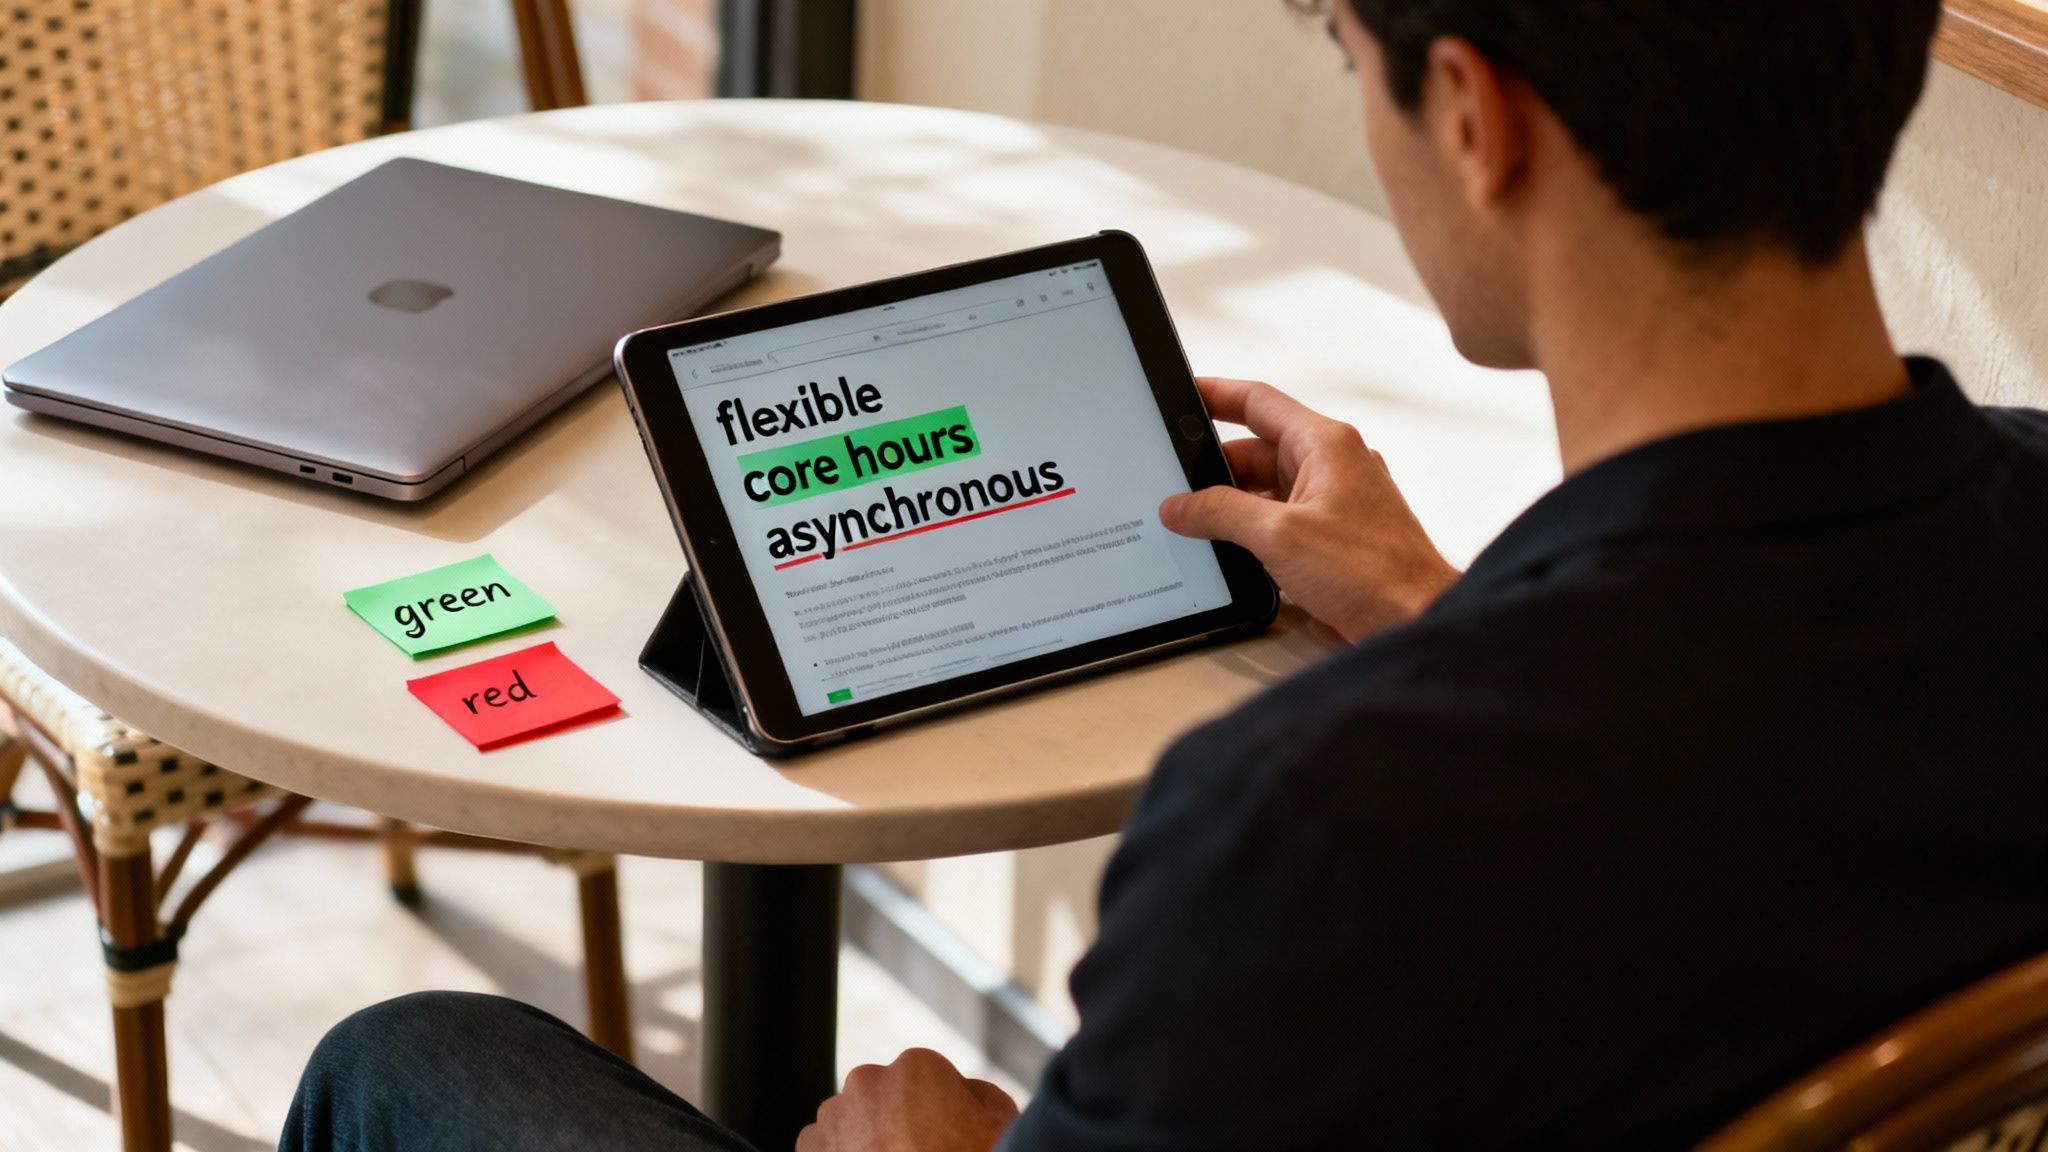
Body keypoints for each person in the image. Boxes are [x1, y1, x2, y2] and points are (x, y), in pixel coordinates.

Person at [284, 1, 2048, 1149]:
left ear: (1474, 117)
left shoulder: (1322, 836)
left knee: (412, 1061)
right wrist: (1449, 618)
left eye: (1352, 58)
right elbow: (1711, 791)